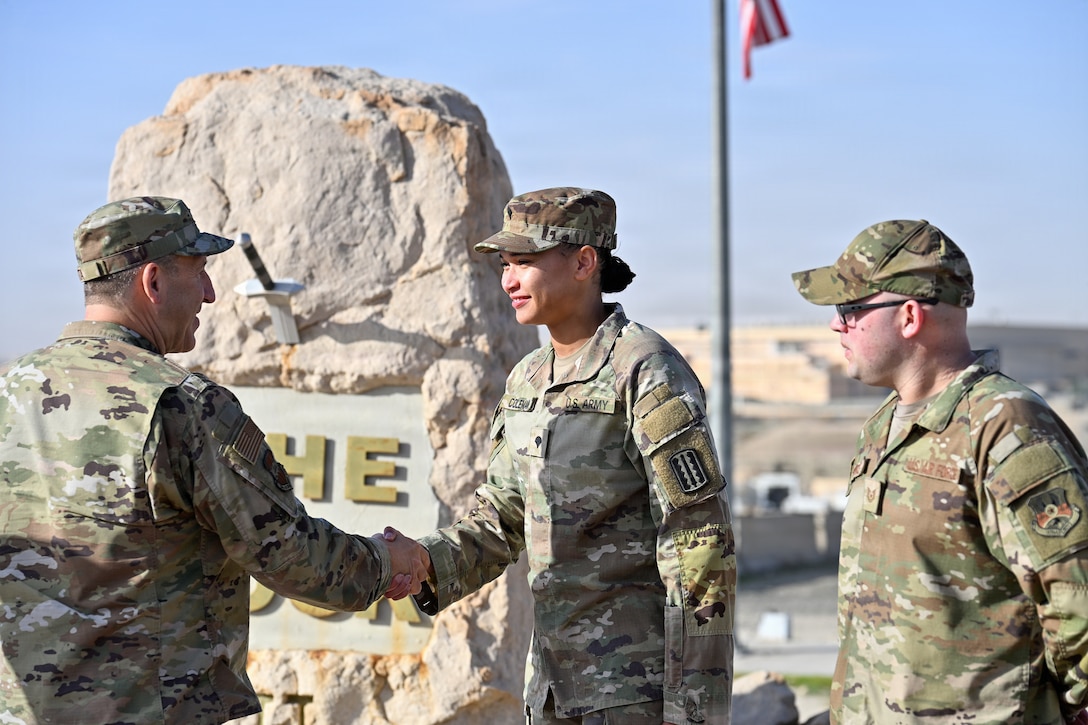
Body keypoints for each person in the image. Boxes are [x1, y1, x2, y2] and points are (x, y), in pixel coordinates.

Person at [0, 196, 429, 724]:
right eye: (199, 272)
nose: (210, 293)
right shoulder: (182, 404)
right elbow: (289, 554)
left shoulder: (7, 392)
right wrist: (393, 562)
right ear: (153, 281)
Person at [402, 187, 735, 724]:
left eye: (525, 263)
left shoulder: (645, 369)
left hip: (634, 693)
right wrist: (423, 563)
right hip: (554, 690)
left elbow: (699, 545)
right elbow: (505, 515)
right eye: (505, 265)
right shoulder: (529, 378)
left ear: (584, 262)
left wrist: (695, 711)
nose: (508, 279)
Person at [791, 219, 1088, 724]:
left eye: (851, 309)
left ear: (909, 317)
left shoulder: (1005, 426)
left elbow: (1077, 599)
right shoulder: (883, 425)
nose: (836, 325)